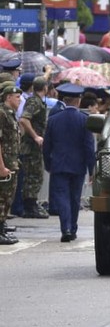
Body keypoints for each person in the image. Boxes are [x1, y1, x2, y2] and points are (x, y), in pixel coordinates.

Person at [42, 83, 96, 243]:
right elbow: (88, 147)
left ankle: (65, 228)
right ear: (78, 101)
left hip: (58, 164)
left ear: (65, 100)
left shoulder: (53, 120)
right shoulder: (84, 120)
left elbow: (47, 146)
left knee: (62, 197)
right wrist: (91, 169)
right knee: (74, 198)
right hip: (78, 166)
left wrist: (48, 164)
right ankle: (72, 227)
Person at [17, 76, 49, 220]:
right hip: (31, 146)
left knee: (36, 176)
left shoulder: (37, 101)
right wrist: (35, 136)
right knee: (32, 176)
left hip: (34, 146)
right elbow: (24, 119)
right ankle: (29, 207)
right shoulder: (34, 102)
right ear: (45, 88)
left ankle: (32, 204)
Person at [0, 82, 23, 245]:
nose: (20, 100)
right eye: (17, 97)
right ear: (8, 98)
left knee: (8, 198)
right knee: (2, 198)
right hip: (5, 163)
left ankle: (2, 228)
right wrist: (1, 166)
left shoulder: (10, 114)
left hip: (12, 162)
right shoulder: (2, 114)